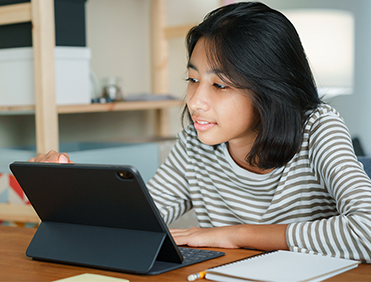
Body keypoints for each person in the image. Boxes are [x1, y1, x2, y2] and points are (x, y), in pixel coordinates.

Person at [29, 2, 371, 263]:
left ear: (272, 89)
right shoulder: (197, 141)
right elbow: (138, 224)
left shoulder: (318, 127)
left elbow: (367, 232)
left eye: (219, 85)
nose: (195, 101)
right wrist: (65, 193)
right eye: (193, 80)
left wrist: (235, 235)